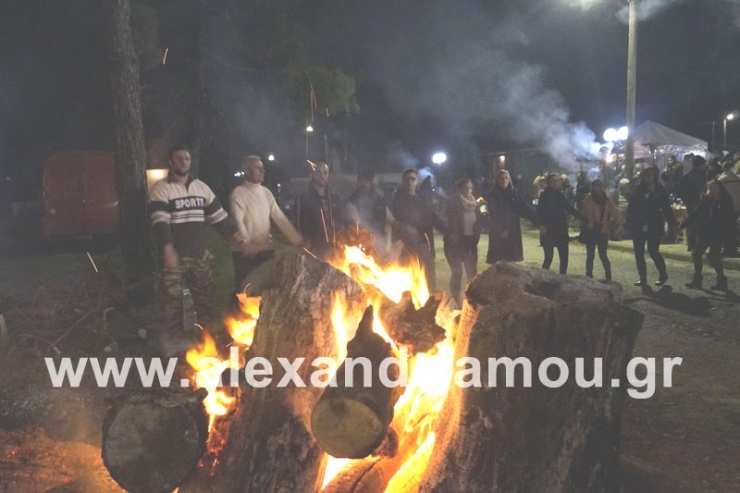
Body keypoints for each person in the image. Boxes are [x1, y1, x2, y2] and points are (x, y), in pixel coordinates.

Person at [148, 144, 246, 357]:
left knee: (205, 300)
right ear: (171, 162)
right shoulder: (162, 190)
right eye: (179, 158)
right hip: (174, 256)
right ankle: (173, 346)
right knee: (171, 303)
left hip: (199, 255)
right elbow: (160, 223)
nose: (184, 162)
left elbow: (218, 216)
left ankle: (206, 341)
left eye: (187, 159)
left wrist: (234, 235)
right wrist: (168, 250)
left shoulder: (201, 188)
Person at [229, 155, 304, 291]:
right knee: (244, 291)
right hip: (246, 253)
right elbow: (238, 221)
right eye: (258, 169)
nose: (262, 172)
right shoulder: (238, 193)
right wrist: (247, 245)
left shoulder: (266, 193)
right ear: (247, 171)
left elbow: (280, 218)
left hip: (265, 250)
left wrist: (297, 240)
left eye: (262, 169)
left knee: (267, 289)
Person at [391, 169, 446, 292]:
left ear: (417, 181)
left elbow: (432, 216)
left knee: (428, 274)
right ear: (403, 182)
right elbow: (396, 220)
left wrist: (446, 229)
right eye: (407, 179)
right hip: (407, 246)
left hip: (424, 242)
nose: (410, 182)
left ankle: (430, 304)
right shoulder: (398, 199)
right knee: (409, 276)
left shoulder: (423, 199)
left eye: (413, 179)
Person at [626, 165, 677, 286]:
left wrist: (672, 223)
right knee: (639, 252)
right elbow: (631, 207)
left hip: (654, 224)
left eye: (651, 175)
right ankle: (642, 278)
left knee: (653, 250)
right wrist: (628, 223)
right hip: (639, 224)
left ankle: (663, 274)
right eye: (647, 175)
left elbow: (666, 207)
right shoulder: (638, 188)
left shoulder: (660, 189)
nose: (649, 178)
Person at [681, 181, 734, 291]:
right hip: (705, 232)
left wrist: (728, 236)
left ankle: (721, 281)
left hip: (717, 234)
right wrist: (684, 224)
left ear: (720, 190)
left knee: (714, 257)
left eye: (715, 189)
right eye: (710, 189)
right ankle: (697, 279)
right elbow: (697, 212)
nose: (712, 192)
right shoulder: (706, 200)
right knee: (696, 254)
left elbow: (729, 220)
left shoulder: (726, 201)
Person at [294, 161, 345, 260]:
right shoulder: (303, 198)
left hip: (333, 248)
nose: (322, 176)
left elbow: (340, 219)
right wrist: (306, 242)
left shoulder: (334, 198)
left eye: (325, 173)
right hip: (314, 248)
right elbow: (299, 223)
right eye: (318, 172)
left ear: (328, 175)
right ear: (313, 174)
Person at [443, 178, 483, 306]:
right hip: (455, 243)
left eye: (470, 187)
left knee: (472, 272)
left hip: (470, 242)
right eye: (465, 187)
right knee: (457, 272)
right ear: (460, 189)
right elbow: (449, 220)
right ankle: (456, 299)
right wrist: (452, 233)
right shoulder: (453, 202)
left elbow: (479, 222)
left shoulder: (475, 204)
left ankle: (471, 300)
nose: (468, 190)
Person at [485, 169, 536, 264]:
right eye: (501, 178)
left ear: (509, 180)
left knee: (512, 260)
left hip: (513, 231)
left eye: (506, 178)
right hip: (499, 232)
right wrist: (502, 229)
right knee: (499, 261)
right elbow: (495, 213)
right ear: (497, 180)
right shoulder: (492, 195)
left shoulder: (514, 193)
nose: (504, 180)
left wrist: (537, 222)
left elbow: (524, 208)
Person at [346, 169, 395, 256]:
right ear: (357, 182)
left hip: (381, 243)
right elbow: (358, 224)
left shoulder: (379, 200)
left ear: (371, 182)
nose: (363, 183)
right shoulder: (351, 202)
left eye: (366, 181)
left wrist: (403, 228)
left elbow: (390, 219)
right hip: (363, 244)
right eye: (361, 181)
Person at [536, 173, 579, 274]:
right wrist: (541, 225)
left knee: (564, 258)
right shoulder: (544, 195)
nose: (555, 183)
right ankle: (542, 279)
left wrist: (583, 218)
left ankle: (562, 279)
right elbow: (539, 212)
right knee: (548, 258)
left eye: (557, 181)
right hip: (548, 230)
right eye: (553, 181)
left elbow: (569, 208)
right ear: (549, 183)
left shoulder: (560, 195)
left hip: (560, 230)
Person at [581, 179, 624, 280]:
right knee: (590, 255)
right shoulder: (589, 199)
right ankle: (589, 275)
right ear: (593, 187)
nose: (599, 187)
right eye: (597, 185)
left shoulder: (607, 199)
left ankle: (608, 275)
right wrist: (590, 222)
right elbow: (588, 212)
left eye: (600, 185)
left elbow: (614, 211)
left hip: (603, 229)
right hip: (592, 229)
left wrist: (621, 222)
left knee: (603, 254)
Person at [678, 155, 708, 251]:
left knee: (699, 224)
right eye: (703, 165)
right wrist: (689, 201)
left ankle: (697, 243)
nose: (704, 166)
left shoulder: (702, 175)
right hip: (693, 203)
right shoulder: (689, 177)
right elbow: (683, 191)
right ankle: (692, 244)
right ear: (697, 165)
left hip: (701, 203)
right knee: (693, 223)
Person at [717, 160, 740, 256]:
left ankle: (727, 249)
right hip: (737, 206)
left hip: (726, 207)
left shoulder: (721, 179)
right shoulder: (738, 178)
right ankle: (733, 248)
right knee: (734, 228)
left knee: (725, 228)